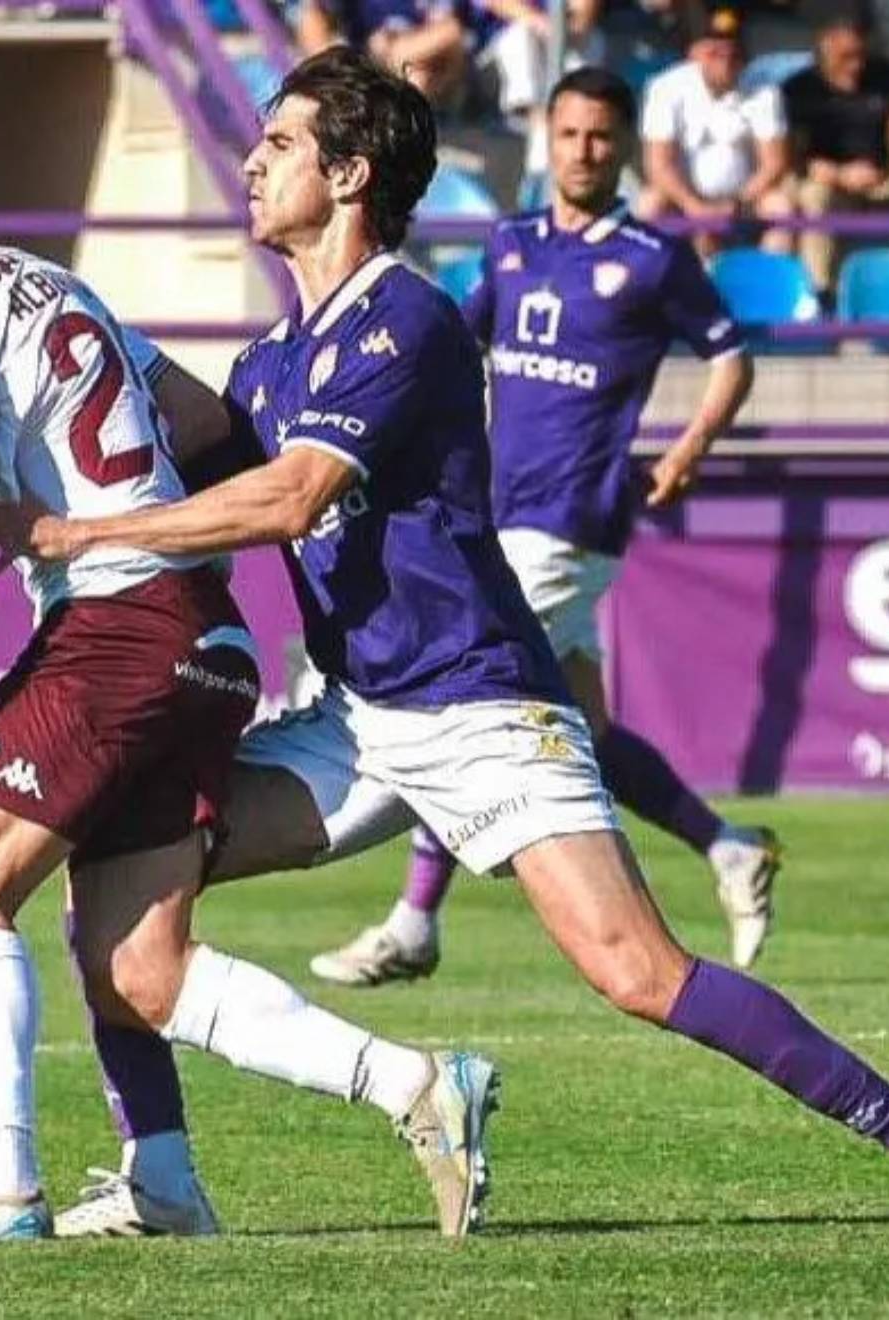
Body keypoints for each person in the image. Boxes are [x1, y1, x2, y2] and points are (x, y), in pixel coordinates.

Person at [7, 52, 889, 1247]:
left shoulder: (410, 315)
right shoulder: (273, 359)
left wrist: (79, 529)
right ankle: (162, 1178)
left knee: (639, 973)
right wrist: (55, 346)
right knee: (120, 872)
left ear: (348, 173)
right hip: (360, 719)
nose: (252, 159)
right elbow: (196, 457)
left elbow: (286, 499)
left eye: (279, 144)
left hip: (482, 707)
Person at [0, 108, 493, 1244]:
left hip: (116, 625)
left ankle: (1, 1188)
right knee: (137, 964)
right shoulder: (45, 280)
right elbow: (206, 422)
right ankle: (404, 1090)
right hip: (206, 630)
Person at [312, 60, 782, 991]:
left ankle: (414, 920)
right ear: (548, 138)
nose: (583, 149)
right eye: (568, 133)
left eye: (602, 135)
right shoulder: (512, 241)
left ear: (622, 145)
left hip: (573, 515)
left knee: (464, 700)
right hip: (498, 506)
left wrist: (687, 449)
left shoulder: (653, 257)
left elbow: (731, 361)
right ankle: (725, 846)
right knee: (586, 730)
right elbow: (454, 341)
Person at [782, 15, 889, 295]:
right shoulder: (798, 88)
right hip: (830, 179)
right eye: (846, 57)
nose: (855, 65)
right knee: (812, 195)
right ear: (825, 49)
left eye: (860, 55)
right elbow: (793, 155)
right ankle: (818, 286)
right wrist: (839, 175)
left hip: (883, 176)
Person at [634, 4, 795, 260]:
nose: (725, 59)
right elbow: (658, 165)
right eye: (714, 51)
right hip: (681, 198)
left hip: (744, 199)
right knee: (649, 204)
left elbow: (774, 163)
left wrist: (736, 203)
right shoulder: (665, 88)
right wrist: (695, 207)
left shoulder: (765, 91)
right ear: (694, 52)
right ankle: (645, 287)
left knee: (780, 206)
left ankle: (772, 287)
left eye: (732, 51)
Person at [299, 0, 474, 107]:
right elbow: (315, 16)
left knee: (416, 78)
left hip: (419, 69)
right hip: (360, 70)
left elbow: (451, 32)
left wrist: (395, 52)